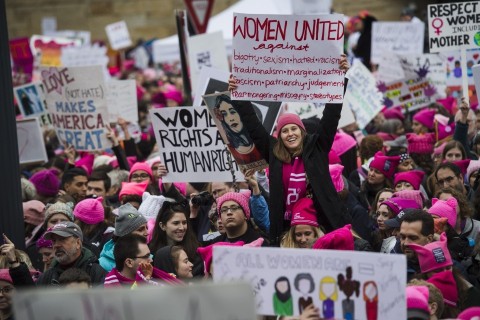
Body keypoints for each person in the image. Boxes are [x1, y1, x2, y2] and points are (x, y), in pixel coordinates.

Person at [229, 55, 351, 245]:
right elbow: (252, 125)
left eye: (294, 128)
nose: (290, 133)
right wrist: (239, 94)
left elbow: (331, 114)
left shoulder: (317, 147)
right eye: (284, 130)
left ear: (302, 132)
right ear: (280, 136)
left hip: (321, 225)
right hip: (287, 229)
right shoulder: (274, 152)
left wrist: (338, 78)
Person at [37, 222, 107, 286]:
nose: (56, 245)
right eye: (54, 241)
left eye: (62, 239)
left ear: (78, 243)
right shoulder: (47, 277)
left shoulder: (96, 273)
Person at [149, 201, 202, 276]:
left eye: (184, 223)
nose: (182, 228)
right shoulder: (150, 251)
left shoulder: (195, 251)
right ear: (162, 226)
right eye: (176, 223)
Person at [104, 234, 179, 287]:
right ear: (129, 262)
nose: (150, 260)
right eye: (146, 256)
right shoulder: (110, 289)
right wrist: (146, 280)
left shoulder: (154, 278)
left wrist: (166, 281)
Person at [213, 94, 263, 165]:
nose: (231, 118)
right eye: (224, 114)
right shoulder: (227, 148)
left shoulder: (262, 142)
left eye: (232, 112)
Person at [99, 203, 148, 272]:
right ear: (125, 233)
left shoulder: (149, 257)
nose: (147, 233)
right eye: (140, 229)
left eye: (147, 228)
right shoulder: (103, 264)